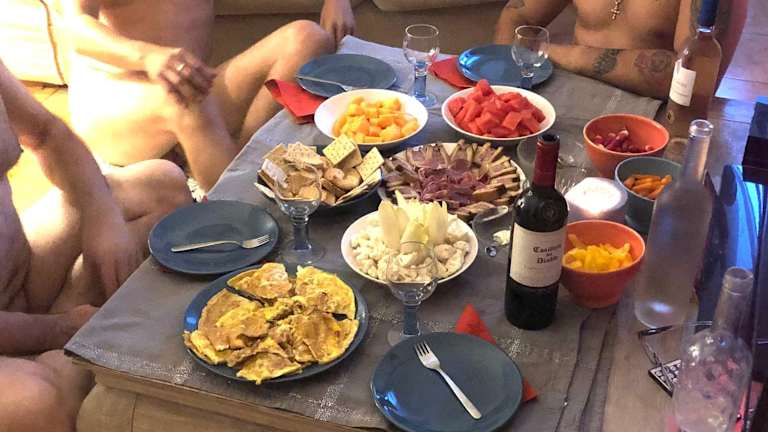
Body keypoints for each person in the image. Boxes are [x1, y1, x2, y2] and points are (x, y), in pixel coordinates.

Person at [0, 58, 191, 432]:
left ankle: (75, 352)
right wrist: (58, 328)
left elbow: (47, 134)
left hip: (18, 279)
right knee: (34, 404)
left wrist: (102, 216)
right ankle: (72, 364)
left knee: (161, 186)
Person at [64, 0, 347, 192]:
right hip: (115, 105)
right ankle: (234, 202)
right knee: (184, 97)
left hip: (192, 86)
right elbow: (76, 28)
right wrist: (147, 56)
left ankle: (239, 165)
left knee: (307, 37)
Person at [494, 0, 745, 99]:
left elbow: (692, 75)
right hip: (567, 97)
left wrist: (570, 55)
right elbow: (517, 15)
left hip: (649, 120)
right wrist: (501, 93)